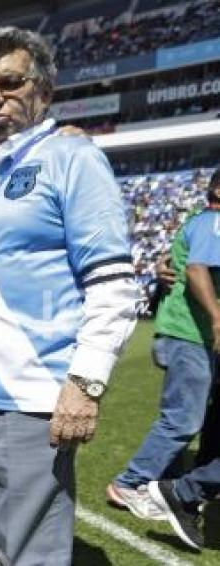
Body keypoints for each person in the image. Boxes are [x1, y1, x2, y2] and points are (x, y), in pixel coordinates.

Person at [0, 27, 138, 565]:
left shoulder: (72, 157)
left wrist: (85, 382)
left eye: (10, 82)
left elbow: (115, 280)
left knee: (34, 556)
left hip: (31, 399)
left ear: (45, 92)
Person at [108, 168, 220, 518]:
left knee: (191, 414)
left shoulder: (205, 223)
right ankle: (129, 483)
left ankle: (174, 475)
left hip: (187, 334)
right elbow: (197, 269)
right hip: (189, 334)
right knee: (183, 419)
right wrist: (218, 319)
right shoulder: (212, 223)